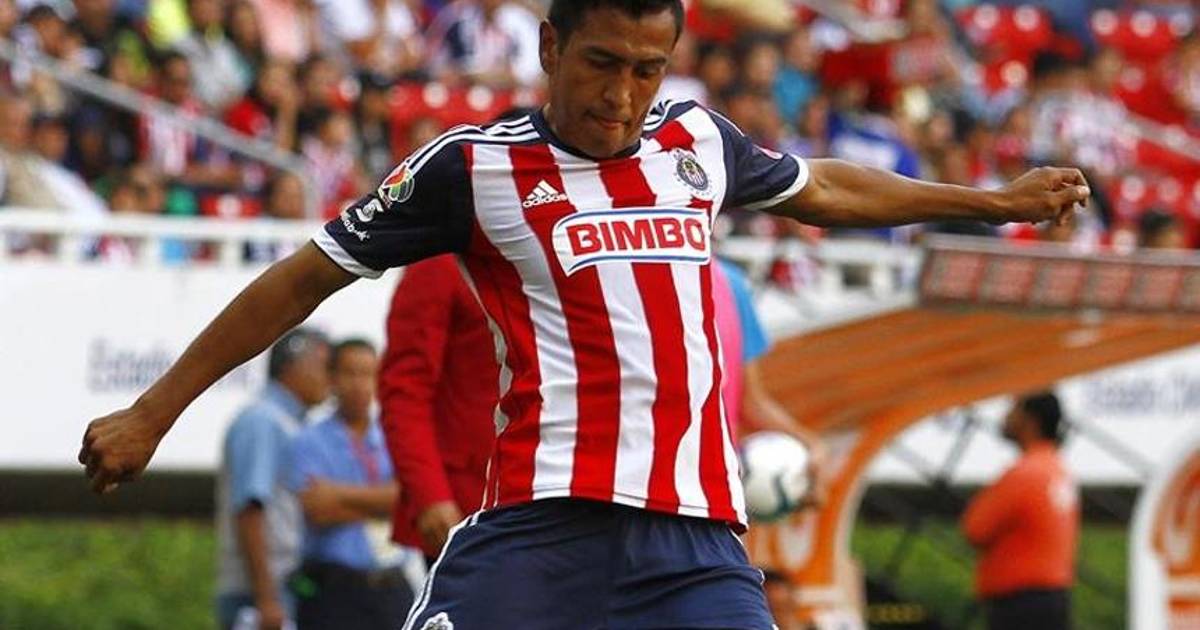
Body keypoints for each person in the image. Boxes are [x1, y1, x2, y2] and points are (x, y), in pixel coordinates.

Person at [80, 1, 1092, 627]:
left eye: (647, 69)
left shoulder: (698, 142)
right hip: (539, 533)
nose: (623, 95)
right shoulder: (473, 169)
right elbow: (303, 278)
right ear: (551, 45)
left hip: (698, 549)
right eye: (602, 62)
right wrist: (152, 412)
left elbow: (823, 186)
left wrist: (991, 202)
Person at [285, 339, 415, 630]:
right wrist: (386, 502)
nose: (359, 385)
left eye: (368, 374)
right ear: (332, 378)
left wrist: (338, 496)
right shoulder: (309, 440)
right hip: (333, 589)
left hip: (391, 584)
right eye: (350, 373)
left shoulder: (394, 435)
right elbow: (319, 511)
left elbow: (410, 500)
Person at [378, 254, 499, 562]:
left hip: (540, 490)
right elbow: (404, 391)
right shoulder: (438, 265)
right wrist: (430, 494)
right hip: (464, 503)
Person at [214, 328, 331, 630]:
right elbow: (250, 508)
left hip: (278, 590)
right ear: (293, 366)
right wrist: (266, 598)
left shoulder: (292, 423)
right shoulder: (263, 421)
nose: (330, 378)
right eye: (324, 366)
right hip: (258, 595)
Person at [962, 391, 1079, 630]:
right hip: (1052, 600)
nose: (1005, 416)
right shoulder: (1056, 469)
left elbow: (975, 529)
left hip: (1020, 606)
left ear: (1030, 420)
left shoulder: (1024, 474)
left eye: (1013, 409)